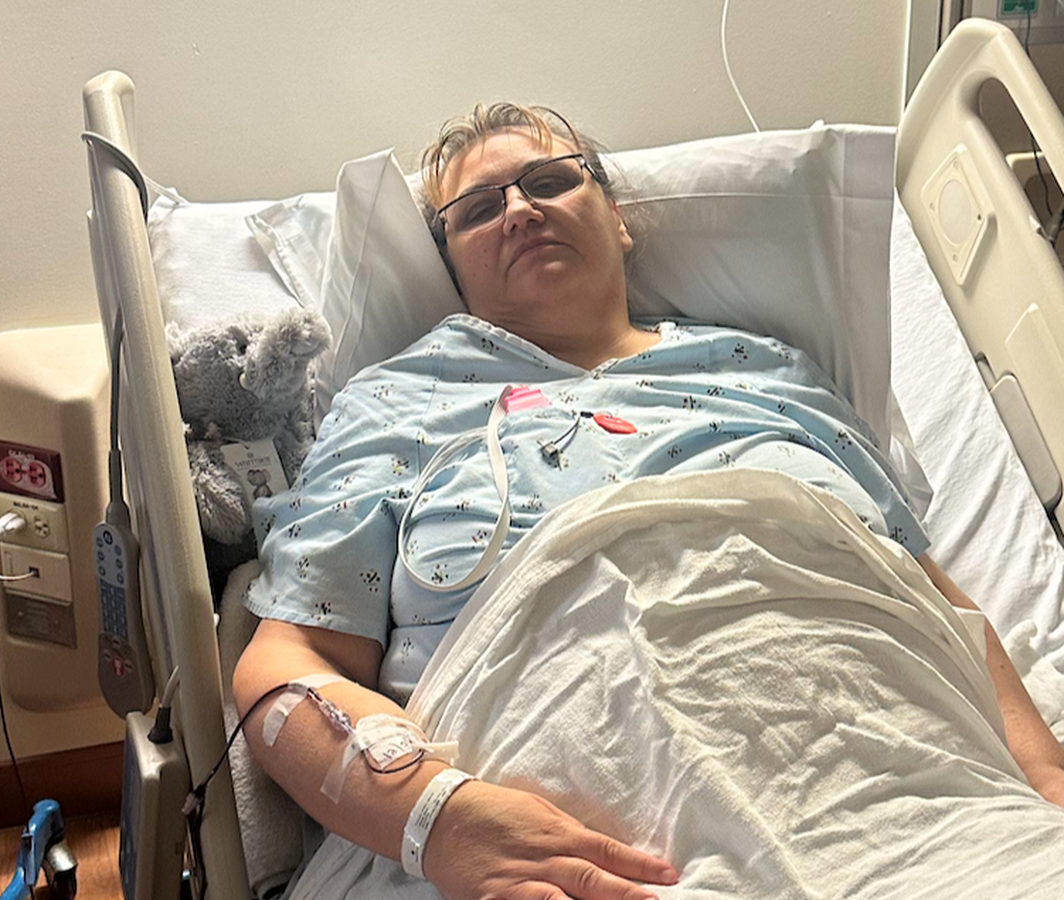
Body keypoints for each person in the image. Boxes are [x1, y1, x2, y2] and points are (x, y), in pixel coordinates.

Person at [233, 103, 1064, 900]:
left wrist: (1044, 778)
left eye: (550, 182)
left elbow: (932, 599)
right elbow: (290, 664)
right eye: (479, 209)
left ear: (618, 218)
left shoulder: (768, 369)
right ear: (450, 266)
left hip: (899, 771)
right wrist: (439, 819)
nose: (520, 210)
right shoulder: (395, 404)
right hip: (585, 835)